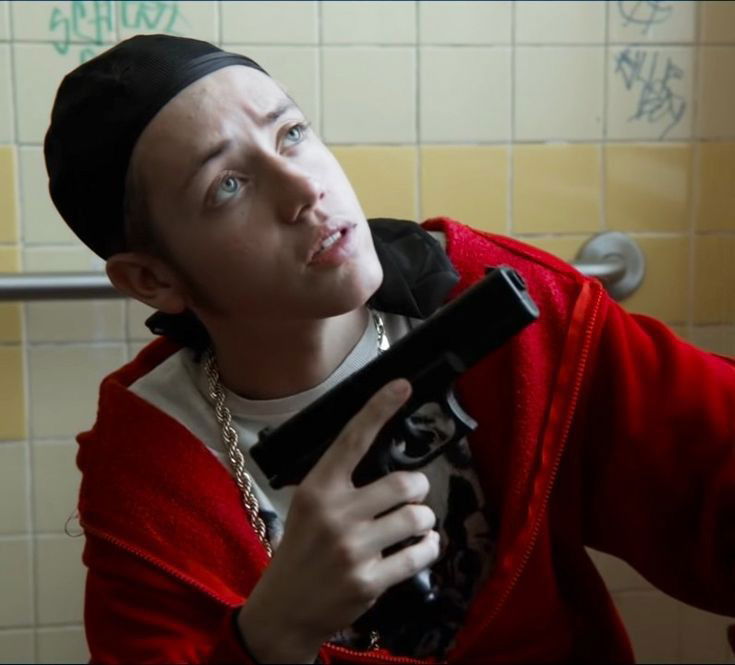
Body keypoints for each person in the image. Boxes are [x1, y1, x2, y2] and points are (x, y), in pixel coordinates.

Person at [44, 34, 735, 664]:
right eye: (227, 185)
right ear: (153, 279)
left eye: (290, 133)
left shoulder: (501, 311)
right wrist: (273, 634)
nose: (304, 188)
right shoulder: (152, 473)